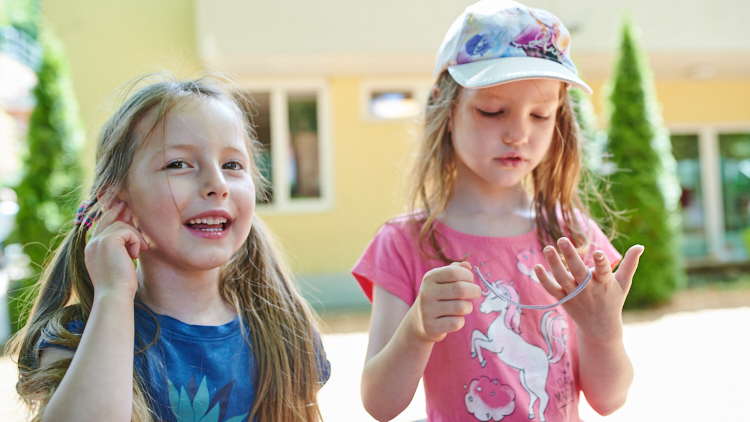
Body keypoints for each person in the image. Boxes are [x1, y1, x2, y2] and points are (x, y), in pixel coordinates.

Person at [352, 1, 644, 421]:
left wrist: (605, 334)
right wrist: (417, 328)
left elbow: (608, 399)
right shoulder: (404, 243)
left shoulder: (574, 238)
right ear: (445, 107)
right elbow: (379, 404)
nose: (518, 133)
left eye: (541, 114)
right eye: (492, 110)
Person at [8, 74, 330, 422]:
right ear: (118, 201)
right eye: (178, 164)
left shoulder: (283, 333)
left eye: (232, 165)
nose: (217, 185)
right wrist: (113, 293)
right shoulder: (77, 342)